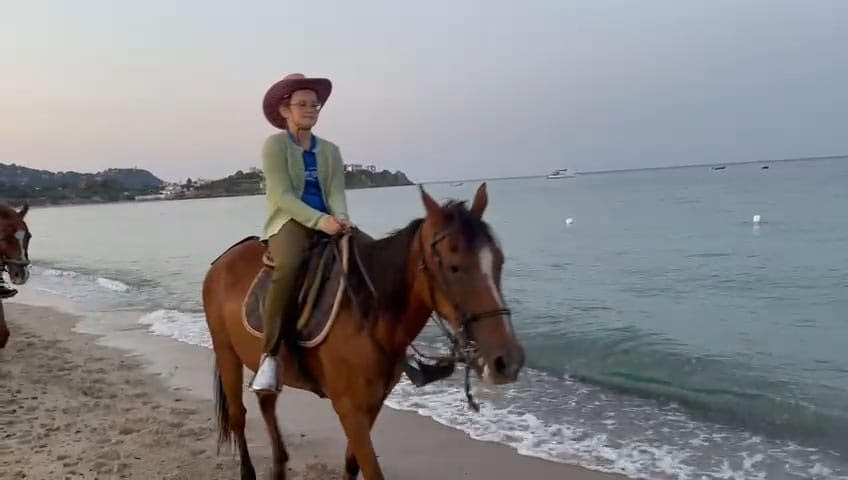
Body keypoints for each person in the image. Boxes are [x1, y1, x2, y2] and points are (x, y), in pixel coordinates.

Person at [250, 73, 351, 393]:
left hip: (328, 219)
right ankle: (270, 355)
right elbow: (281, 195)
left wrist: (341, 217)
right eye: (302, 104)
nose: (310, 110)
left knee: (371, 256)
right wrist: (320, 221)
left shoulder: (331, 150)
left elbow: (335, 191)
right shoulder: (275, 145)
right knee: (289, 265)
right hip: (289, 222)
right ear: (285, 110)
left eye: (314, 105)